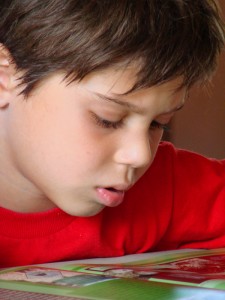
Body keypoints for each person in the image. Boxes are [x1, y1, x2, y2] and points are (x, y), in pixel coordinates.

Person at [0, 0, 224, 268]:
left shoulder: (161, 187)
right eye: (108, 120)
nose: (140, 155)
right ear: (4, 78)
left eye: (158, 124)